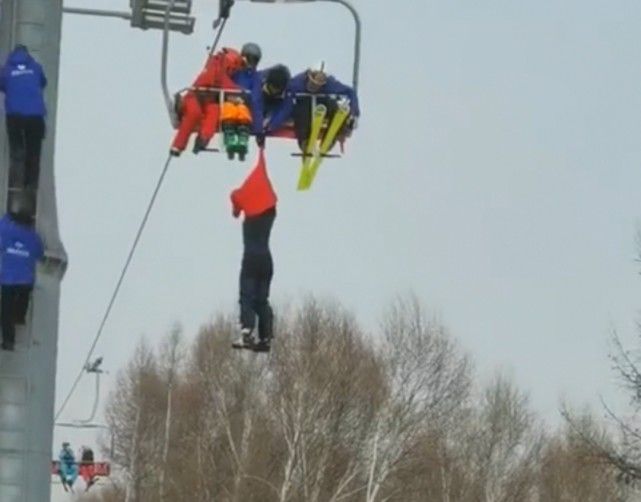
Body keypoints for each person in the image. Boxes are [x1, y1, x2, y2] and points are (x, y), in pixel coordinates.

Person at [230, 150, 277, 352]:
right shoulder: (269, 215)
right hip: (267, 262)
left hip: (250, 260)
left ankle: (247, 332)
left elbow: (235, 195)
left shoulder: (250, 218)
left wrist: (236, 210)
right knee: (261, 300)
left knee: (247, 296)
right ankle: (265, 338)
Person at [170, 47, 247, 157]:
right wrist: (241, 92)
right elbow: (224, 83)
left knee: (214, 112)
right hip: (194, 97)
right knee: (193, 113)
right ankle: (178, 146)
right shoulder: (217, 66)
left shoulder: (218, 67)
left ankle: (202, 139)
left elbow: (224, 83)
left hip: (209, 100)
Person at [267, 61, 360, 151]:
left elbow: (350, 92)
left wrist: (354, 113)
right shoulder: (296, 84)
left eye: (319, 84)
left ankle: (329, 140)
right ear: (308, 76)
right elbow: (286, 107)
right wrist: (271, 125)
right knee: (301, 110)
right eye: (313, 82)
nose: (315, 86)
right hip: (304, 108)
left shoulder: (331, 85)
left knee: (334, 106)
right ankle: (304, 141)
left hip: (322, 105)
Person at [0, 194, 44, 351]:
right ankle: (19, 316)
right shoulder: (33, 237)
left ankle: (8, 341)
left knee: (5, 312)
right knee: (22, 301)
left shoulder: (4, 229)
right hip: (25, 280)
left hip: (7, 279)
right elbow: (40, 254)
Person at [0, 44, 47, 191]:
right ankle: (31, 185)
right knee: (34, 151)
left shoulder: (6, 70)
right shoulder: (36, 67)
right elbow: (43, 82)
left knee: (17, 150)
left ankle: (15, 182)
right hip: (35, 116)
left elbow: (2, 85)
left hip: (15, 116)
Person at [253, 64, 291, 147]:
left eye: (277, 90)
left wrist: (270, 127)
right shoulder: (258, 81)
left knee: (276, 113)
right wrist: (259, 130)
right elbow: (256, 105)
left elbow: (284, 111)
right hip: (261, 100)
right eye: (273, 88)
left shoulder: (289, 89)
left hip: (276, 104)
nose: (274, 91)